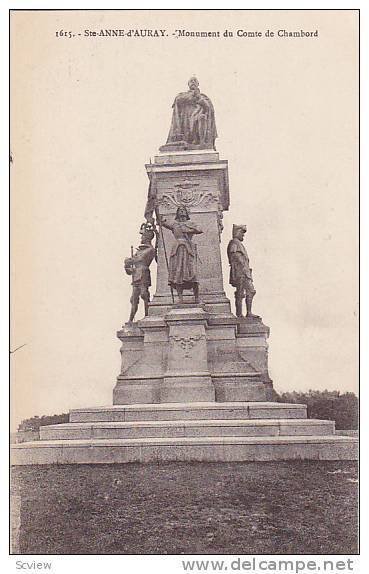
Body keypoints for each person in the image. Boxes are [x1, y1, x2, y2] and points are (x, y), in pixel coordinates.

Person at [160, 206, 203, 303]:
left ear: (187, 213)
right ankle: (180, 298)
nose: (182, 211)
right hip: (178, 249)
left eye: (183, 210)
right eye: (180, 210)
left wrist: (188, 229)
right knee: (178, 273)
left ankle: (197, 297)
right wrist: (161, 218)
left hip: (188, 249)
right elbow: (164, 223)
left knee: (193, 273)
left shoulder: (190, 224)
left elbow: (200, 229)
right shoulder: (175, 225)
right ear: (177, 213)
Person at [166, 77, 217, 149]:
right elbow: (177, 100)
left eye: (195, 81)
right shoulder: (182, 95)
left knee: (202, 118)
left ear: (198, 84)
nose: (193, 82)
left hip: (199, 118)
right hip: (186, 120)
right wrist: (192, 96)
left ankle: (202, 143)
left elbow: (208, 108)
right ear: (188, 84)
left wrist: (199, 97)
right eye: (191, 81)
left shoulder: (203, 96)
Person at [124, 223, 156, 322]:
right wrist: (127, 266)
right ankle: (130, 320)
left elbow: (141, 259)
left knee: (144, 294)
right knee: (134, 299)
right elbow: (129, 269)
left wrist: (131, 260)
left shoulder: (150, 249)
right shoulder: (138, 251)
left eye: (143, 235)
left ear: (147, 237)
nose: (141, 237)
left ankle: (147, 315)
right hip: (136, 275)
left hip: (143, 273)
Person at [227, 224, 259, 319]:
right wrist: (243, 268)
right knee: (241, 292)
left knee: (250, 291)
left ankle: (248, 312)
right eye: (242, 233)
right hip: (240, 271)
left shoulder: (238, 243)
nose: (243, 235)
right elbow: (235, 256)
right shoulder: (234, 243)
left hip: (244, 271)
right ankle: (240, 314)